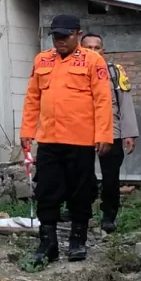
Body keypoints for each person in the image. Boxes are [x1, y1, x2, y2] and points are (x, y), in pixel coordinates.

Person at [21, 14, 114, 265]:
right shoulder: (42, 60)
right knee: (47, 191)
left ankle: (77, 240)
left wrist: (104, 134)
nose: (60, 40)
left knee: (80, 192)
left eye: (65, 36)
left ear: (78, 35)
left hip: (81, 140)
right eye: (56, 36)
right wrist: (27, 131)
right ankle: (48, 243)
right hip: (49, 139)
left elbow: (103, 100)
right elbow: (32, 99)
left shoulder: (93, 61)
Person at [80, 33, 139, 233]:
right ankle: (81, 212)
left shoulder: (114, 72)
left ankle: (108, 216)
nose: (93, 51)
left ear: (103, 51)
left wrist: (129, 133)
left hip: (111, 132)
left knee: (110, 178)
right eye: (88, 47)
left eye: (97, 47)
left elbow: (125, 103)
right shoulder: (73, 71)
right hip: (82, 133)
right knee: (81, 176)